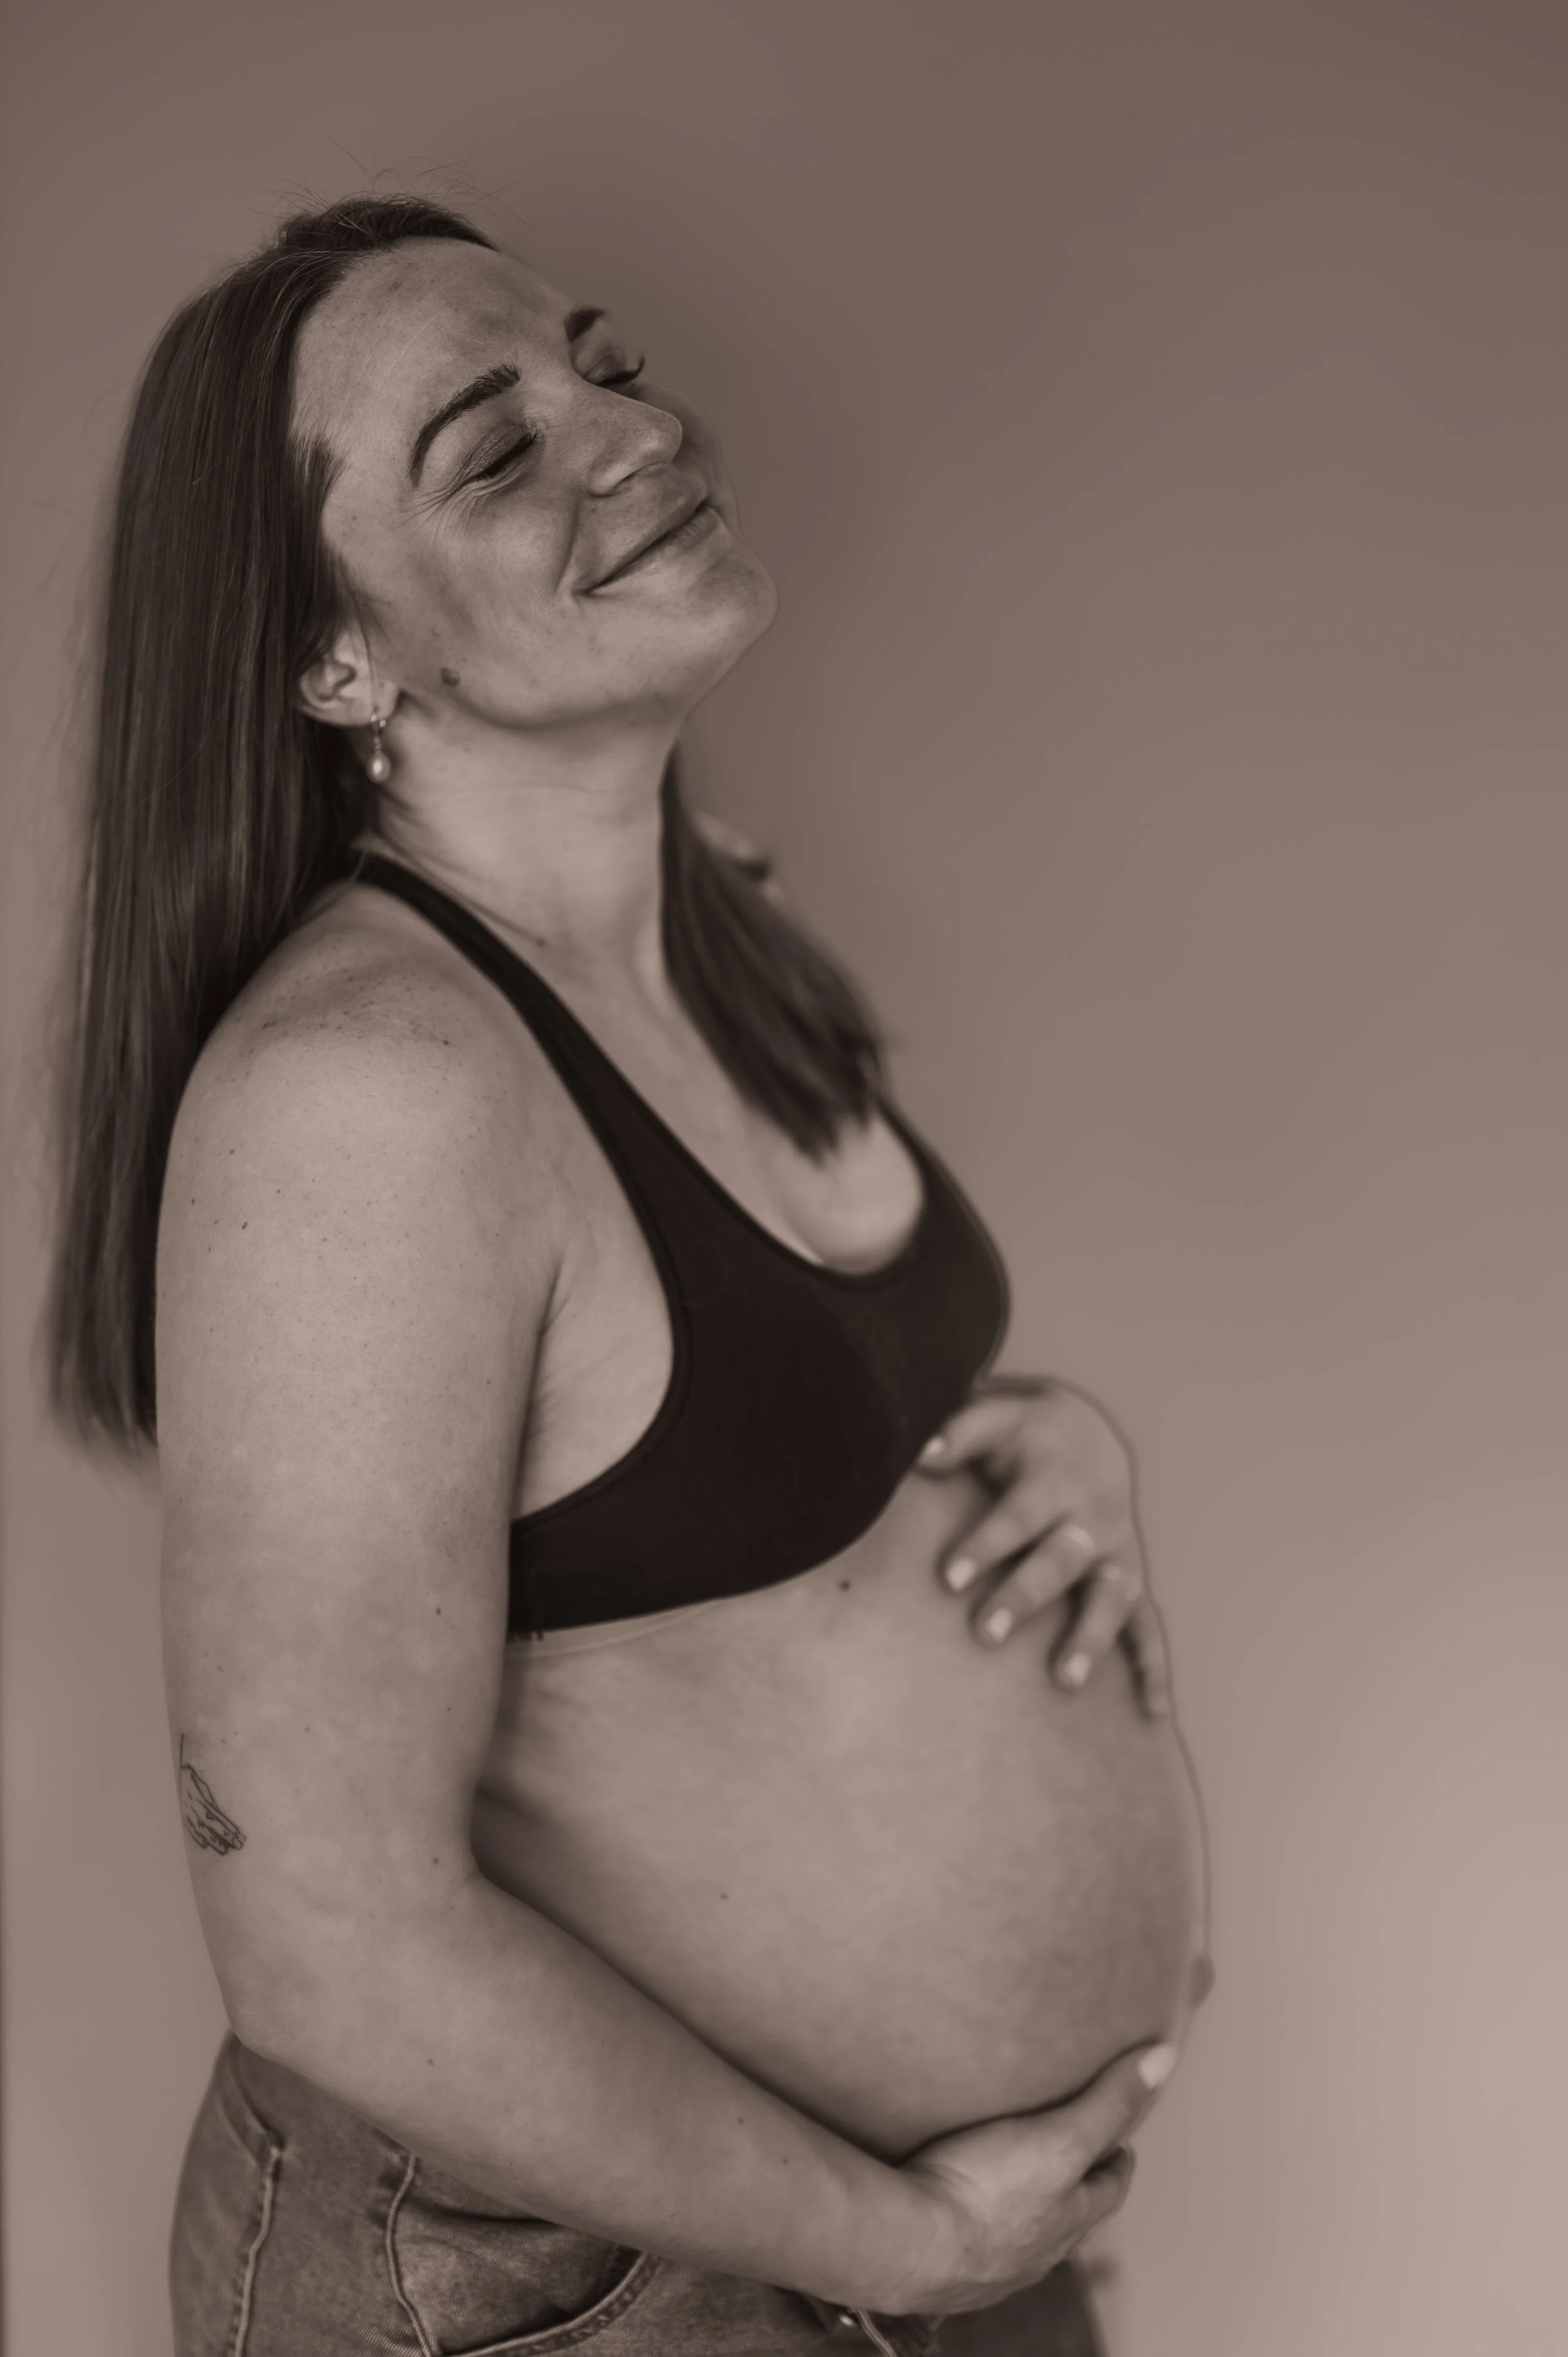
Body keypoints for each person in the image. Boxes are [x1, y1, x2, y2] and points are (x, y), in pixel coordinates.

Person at [48, 194, 1209, 2356]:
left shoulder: (719, 915)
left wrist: (1047, 1459)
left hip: (907, 2246)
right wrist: (900, 2252)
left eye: (603, 359)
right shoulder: (365, 1097)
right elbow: (329, 1937)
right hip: (581, 2295)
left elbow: (753, 1456)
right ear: (333, 659)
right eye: (493, 449)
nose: (628, 425)